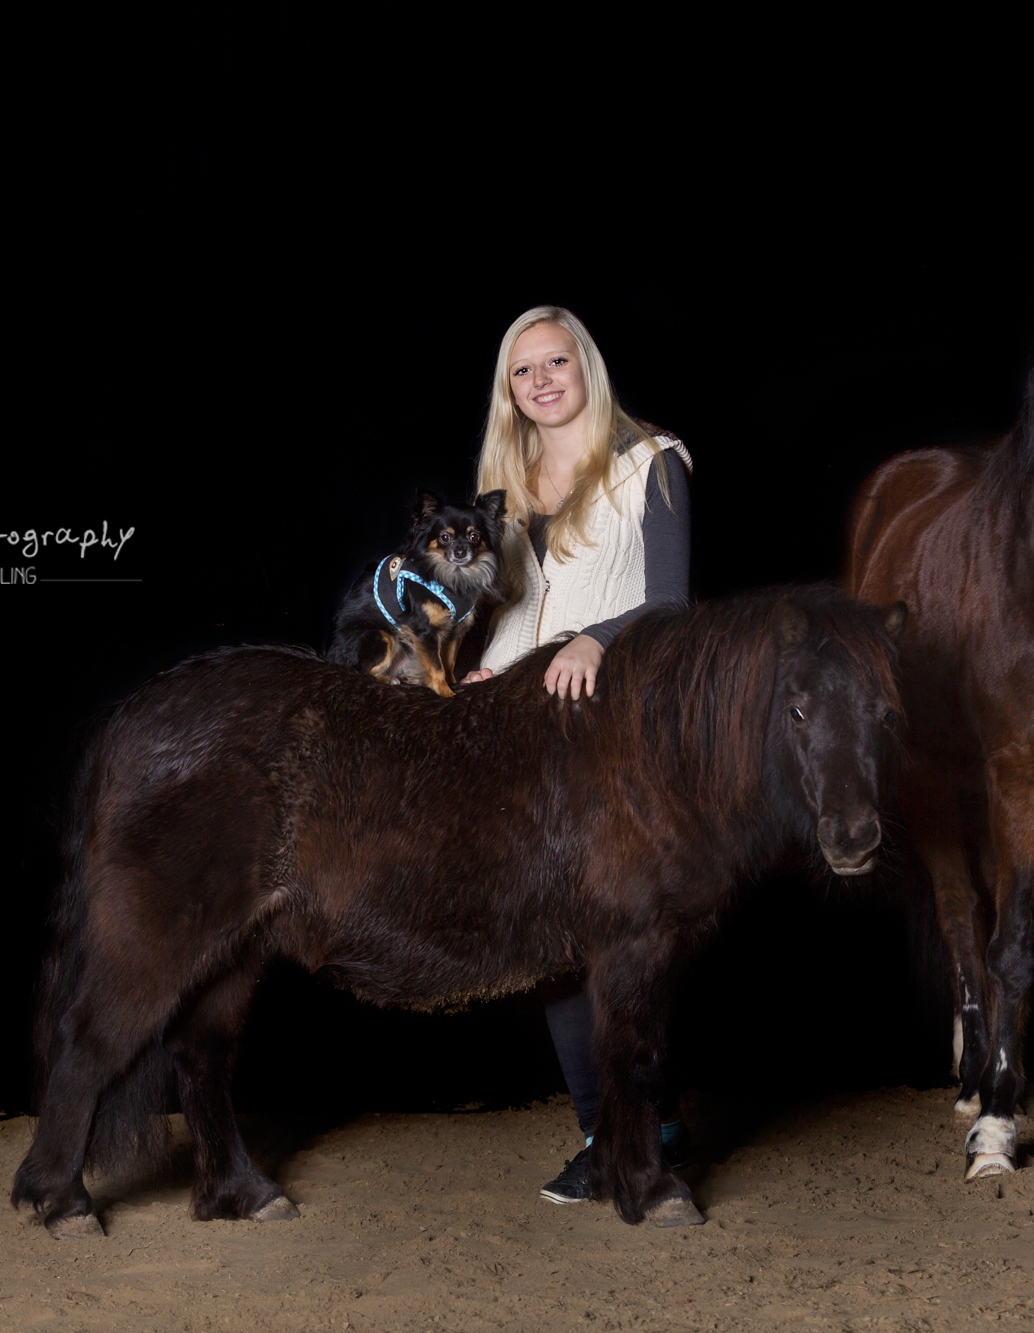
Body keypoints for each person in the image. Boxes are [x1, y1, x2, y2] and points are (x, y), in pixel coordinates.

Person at [460, 305, 694, 1203]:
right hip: (524, 731)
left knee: (621, 942)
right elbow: (511, 611)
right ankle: (608, 1133)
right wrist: (485, 669)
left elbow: (670, 604)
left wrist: (596, 637)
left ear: (585, 366)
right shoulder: (508, 483)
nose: (542, 381)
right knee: (548, 943)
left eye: (556, 361)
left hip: (614, 729)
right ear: (510, 392)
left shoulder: (651, 462)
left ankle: (648, 1127)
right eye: (523, 371)